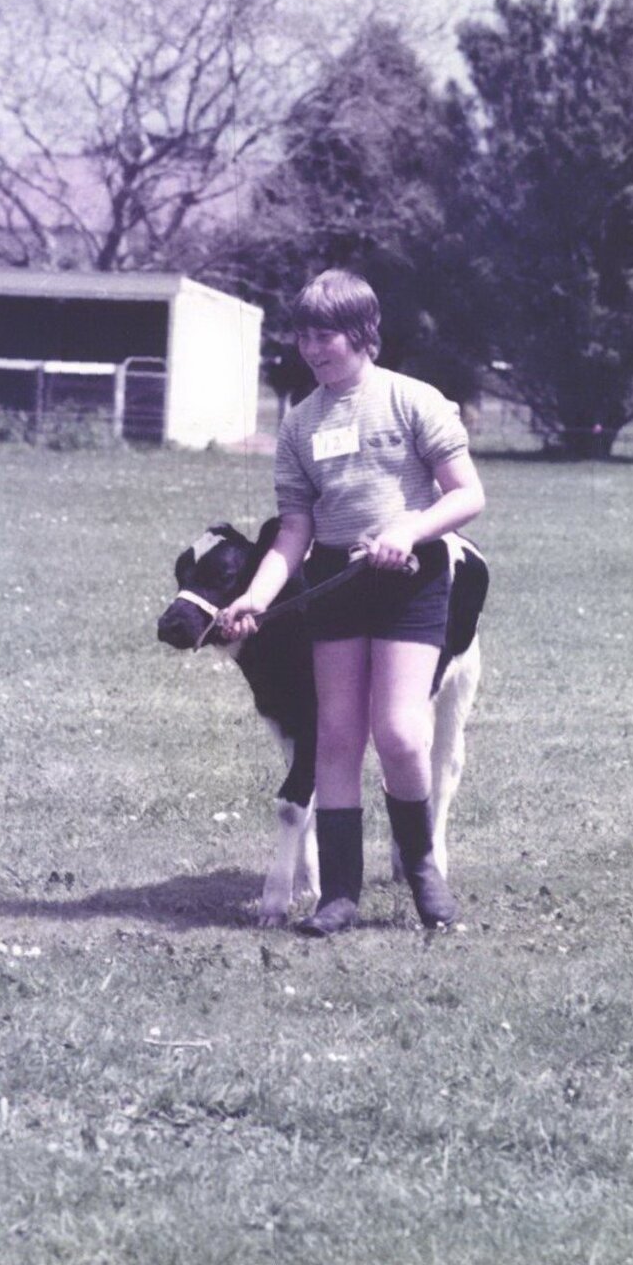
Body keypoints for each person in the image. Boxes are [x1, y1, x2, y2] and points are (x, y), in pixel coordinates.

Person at [218, 269, 485, 935]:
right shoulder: (299, 424)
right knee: (336, 736)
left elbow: (466, 494)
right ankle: (338, 893)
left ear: (363, 333)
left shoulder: (412, 399)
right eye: (304, 336)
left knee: (400, 733)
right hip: (335, 584)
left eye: (325, 335)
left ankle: (421, 870)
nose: (312, 349)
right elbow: (294, 531)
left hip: (411, 579)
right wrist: (254, 597)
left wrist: (408, 530)